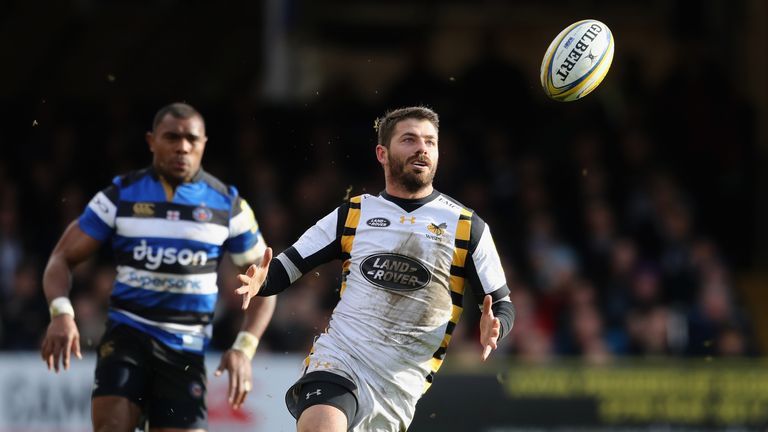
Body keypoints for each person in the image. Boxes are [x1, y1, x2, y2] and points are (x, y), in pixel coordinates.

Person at [236, 106, 516, 432]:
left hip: (400, 383)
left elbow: (501, 304)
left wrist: (496, 325)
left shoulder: (468, 226)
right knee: (319, 425)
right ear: (382, 153)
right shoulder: (354, 213)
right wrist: (261, 281)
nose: (422, 148)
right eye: (409, 140)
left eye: (430, 141)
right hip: (342, 357)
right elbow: (289, 265)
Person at [40, 102, 276, 432]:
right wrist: (62, 313)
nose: (182, 146)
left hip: (186, 349)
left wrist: (244, 348)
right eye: (172, 137)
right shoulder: (121, 195)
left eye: (191, 139)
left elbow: (266, 284)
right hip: (127, 336)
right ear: (151, 141)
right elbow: (61, 259)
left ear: (204, 143)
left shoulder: (228, 205)